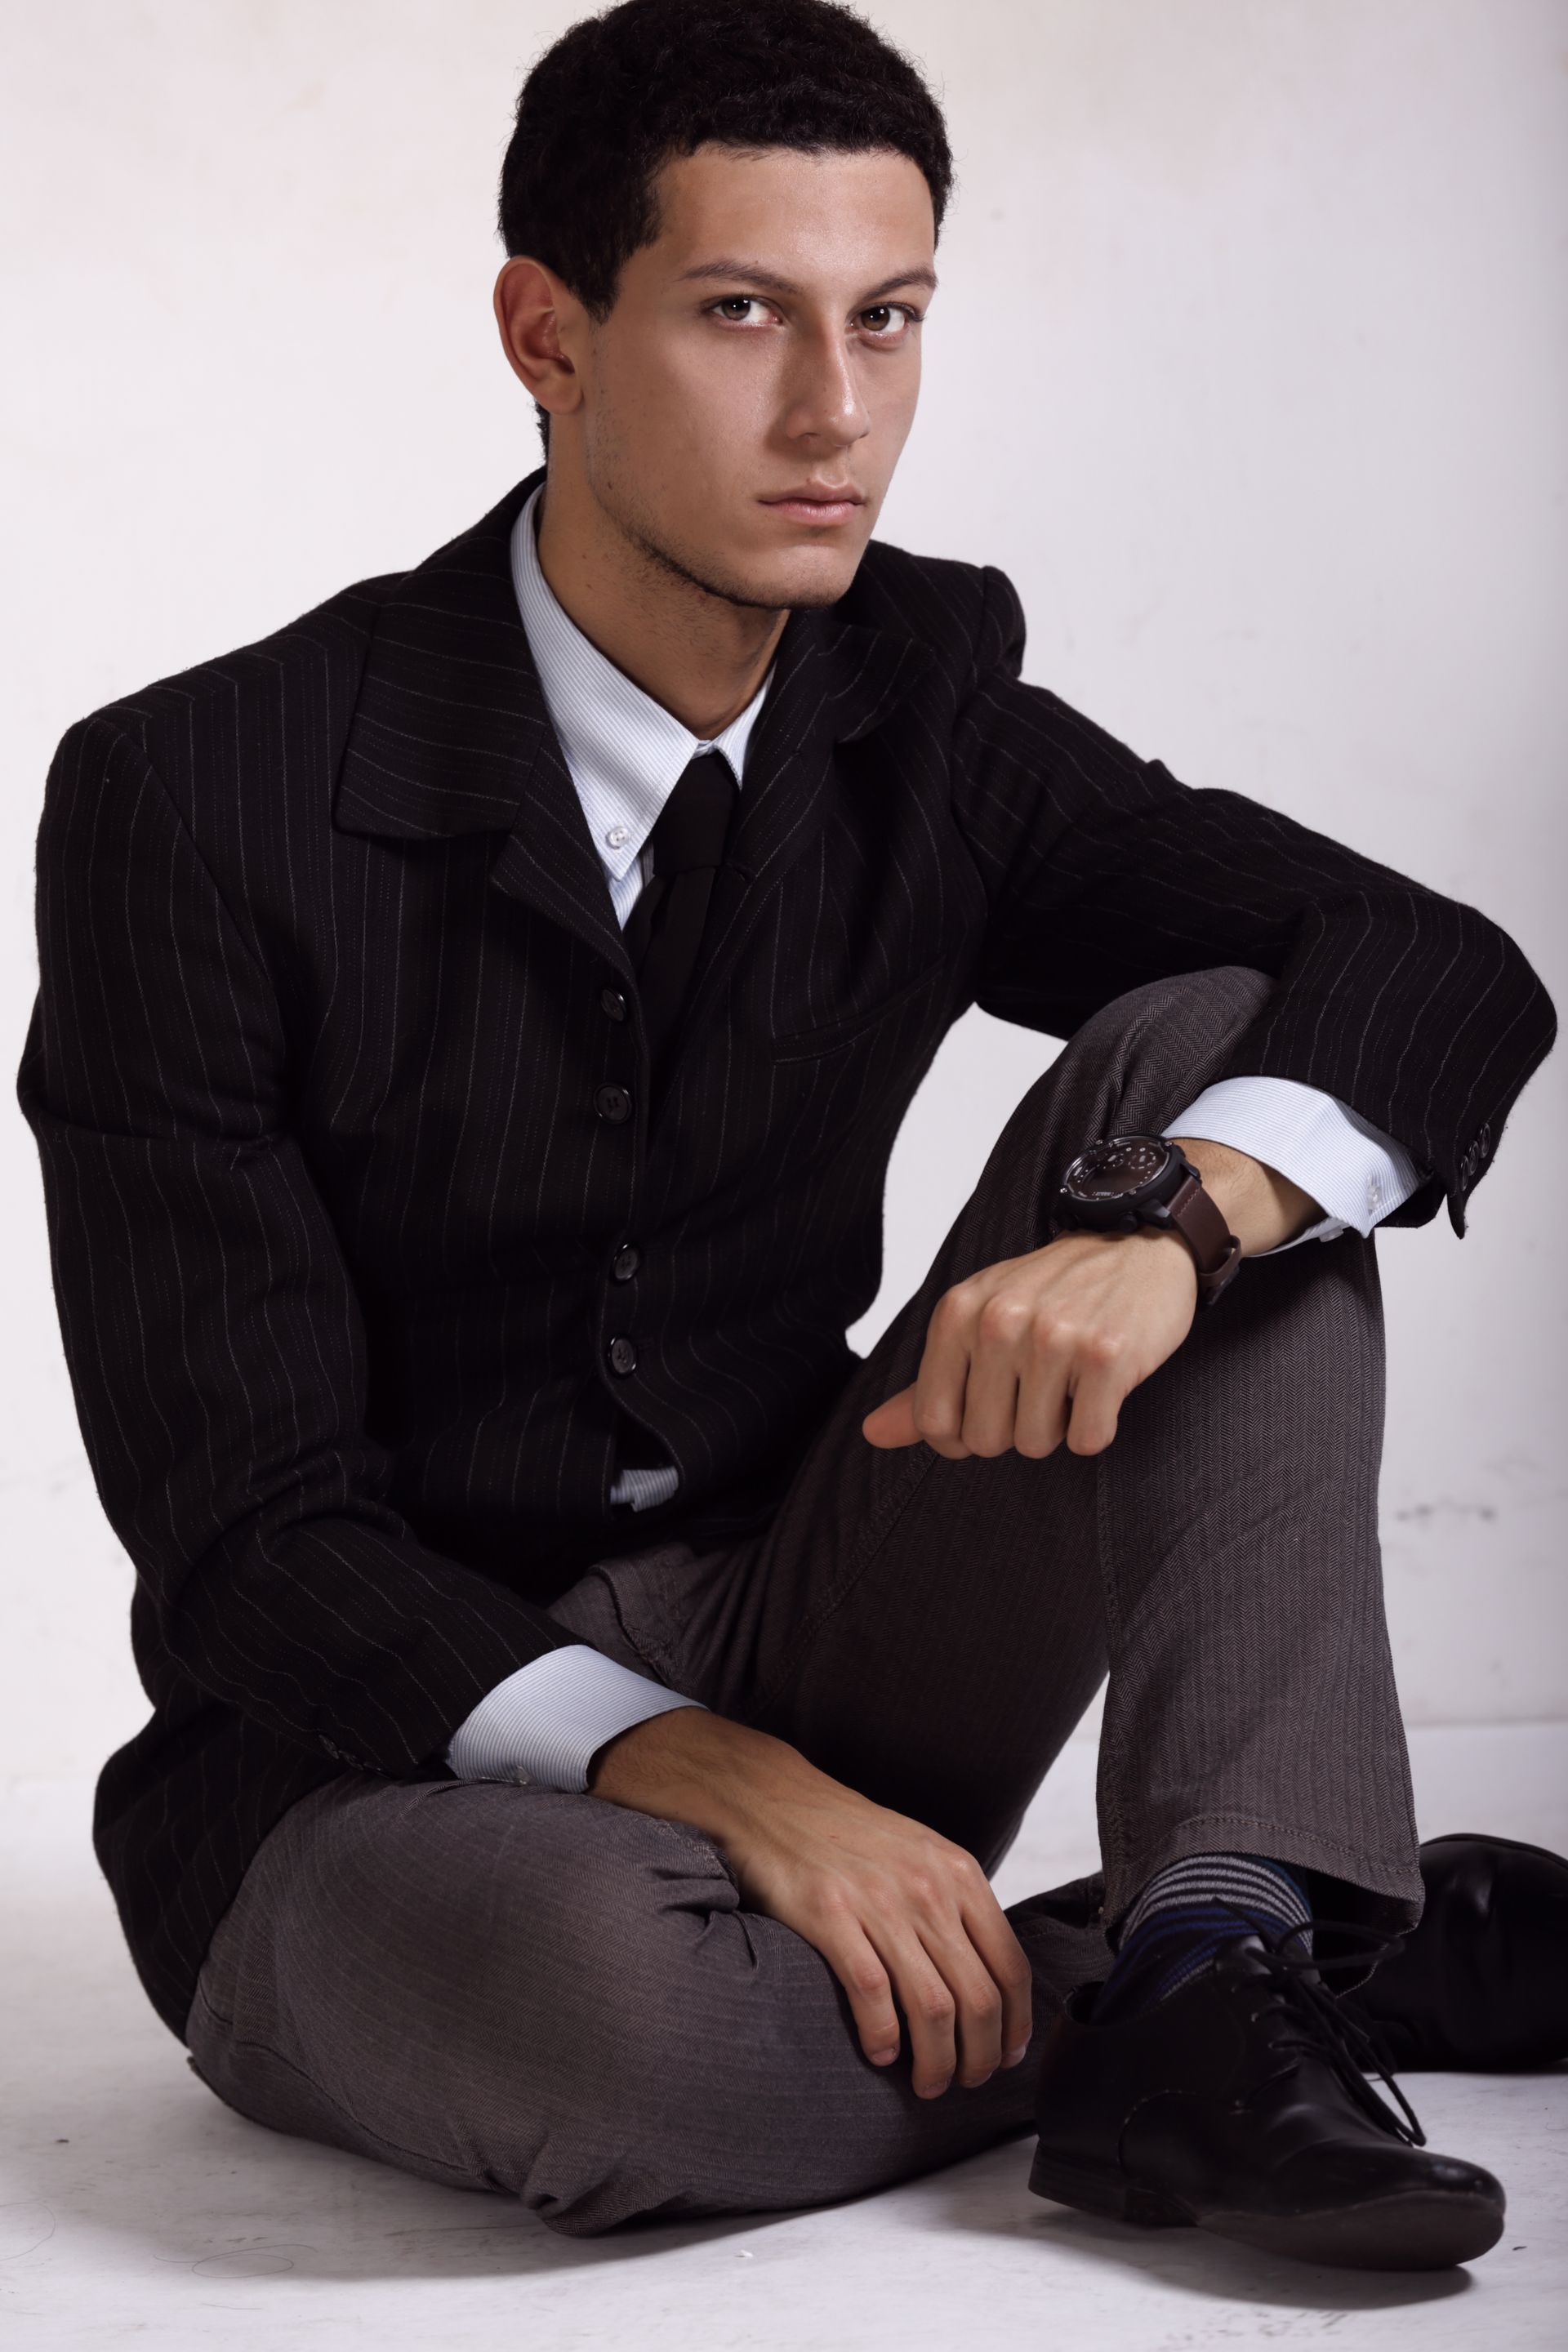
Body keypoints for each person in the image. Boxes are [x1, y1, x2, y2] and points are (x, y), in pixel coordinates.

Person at [19, 0, 1562, 2276]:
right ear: (548, 335)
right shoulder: (198, 797)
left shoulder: (913, 696)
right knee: (629, 2028)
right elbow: (244, 1533)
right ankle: (1220, 1967)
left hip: (821, 1610)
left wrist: (1184, 1224)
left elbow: (1425, 962)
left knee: (1234, 1072)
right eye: (744, 314)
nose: (838, 411)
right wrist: (708, 1773)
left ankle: (1226, 1939)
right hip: (358, 1764)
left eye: (890, 318)